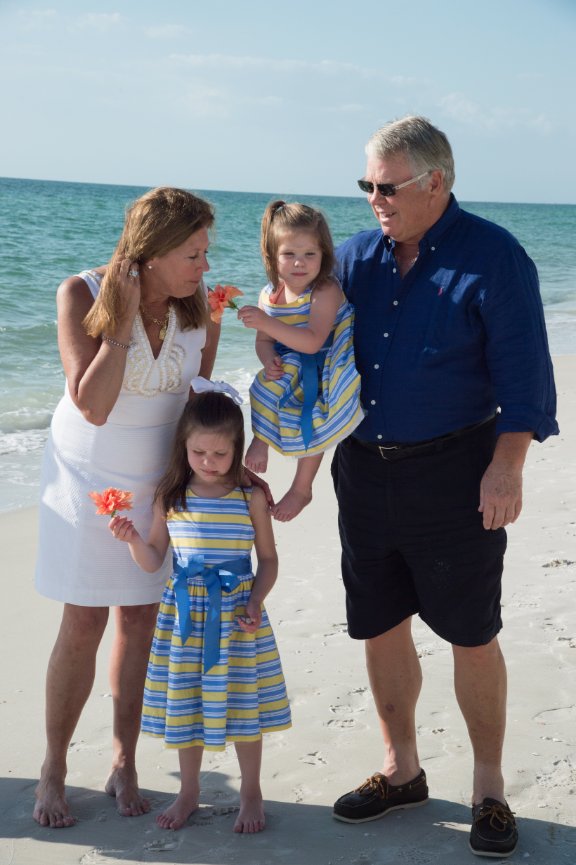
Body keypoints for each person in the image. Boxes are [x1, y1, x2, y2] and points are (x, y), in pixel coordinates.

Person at [330, 116, 558, 859]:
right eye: (366, 185)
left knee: (470, 630)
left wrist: (508, 465)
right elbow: (305, 335)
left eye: (386, 186)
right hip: (364, 471)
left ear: (436, 182)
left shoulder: (494, 257)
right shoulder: (355, 256)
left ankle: (489, 786)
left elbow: (526, 375)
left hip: (459, 473)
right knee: (379, 621)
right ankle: (402, 769)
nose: (374, 199)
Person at [33, 187, 221, 828]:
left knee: (140, 618)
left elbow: (197, 396)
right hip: (91, 478)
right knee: (83, 621)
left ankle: (123, 760)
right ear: (153, 250)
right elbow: (93, 404)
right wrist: (121, 320)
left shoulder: (196, 308)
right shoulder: (81, 294)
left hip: (157, 481)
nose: (203, 264)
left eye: (205, 251)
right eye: (192, 252)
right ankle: (54, 767)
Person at [108, 386, 291, 833]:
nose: (208, 461)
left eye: (220, 453)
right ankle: (188, 791)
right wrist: (133, 540)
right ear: (183, 447)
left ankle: (251, 791)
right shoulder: (171, 497)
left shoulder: (249, 499)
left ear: (237, 449)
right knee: (186, 704)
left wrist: (254, 601)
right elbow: (154, 558)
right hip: (184, 619)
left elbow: (267, 561)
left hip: (237, 616)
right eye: (199, 452)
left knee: (244, 705)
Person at [238, 200, 363, 521]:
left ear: (324, 255)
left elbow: (312, 341)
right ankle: (261, 439)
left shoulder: (325, 290)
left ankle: (302, 487)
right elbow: (264, 341)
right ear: (271, 257)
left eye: (310, 254)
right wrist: (268, 360)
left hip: (327, 362)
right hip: (293, 361)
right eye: (289, 254)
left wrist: (265, 323)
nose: (300, 263)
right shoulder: (270, 294)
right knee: (262, 388)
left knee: (316, 414)